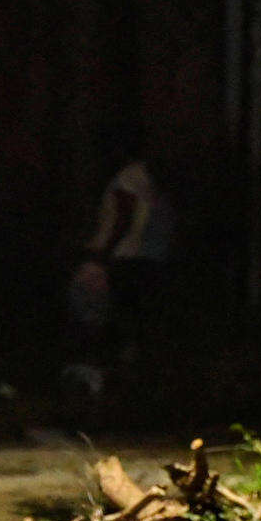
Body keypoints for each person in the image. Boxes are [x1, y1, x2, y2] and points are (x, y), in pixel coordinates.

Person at [80, 137, 174, 365]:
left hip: (129, 255)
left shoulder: (128, 178)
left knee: (123, 313)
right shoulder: (147, 177)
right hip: (151, 255)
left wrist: (104, 252)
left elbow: (124, 217)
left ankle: (123, 362)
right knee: (141, 314)